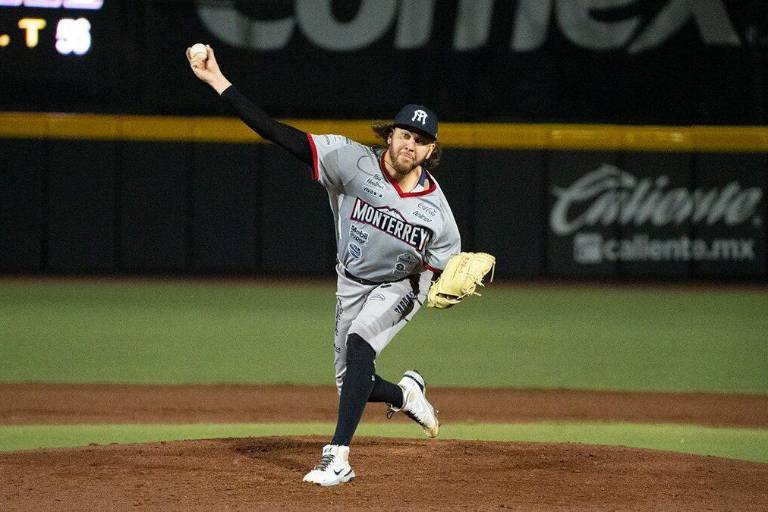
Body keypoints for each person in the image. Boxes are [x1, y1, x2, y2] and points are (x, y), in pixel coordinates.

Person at [187, 44, 461, 487]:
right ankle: (406, 395)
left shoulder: (438, 212)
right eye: (405, 134)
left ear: (431, 151)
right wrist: (218, 81)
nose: (411, 144)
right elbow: (277, 133)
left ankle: (338, 458)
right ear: (390, 135)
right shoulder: (348, 160)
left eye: (422, 140)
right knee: (352, 381)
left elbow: (444, 266)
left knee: (358, 346)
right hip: (350, 280)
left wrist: (440, 288)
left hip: (400, 285)